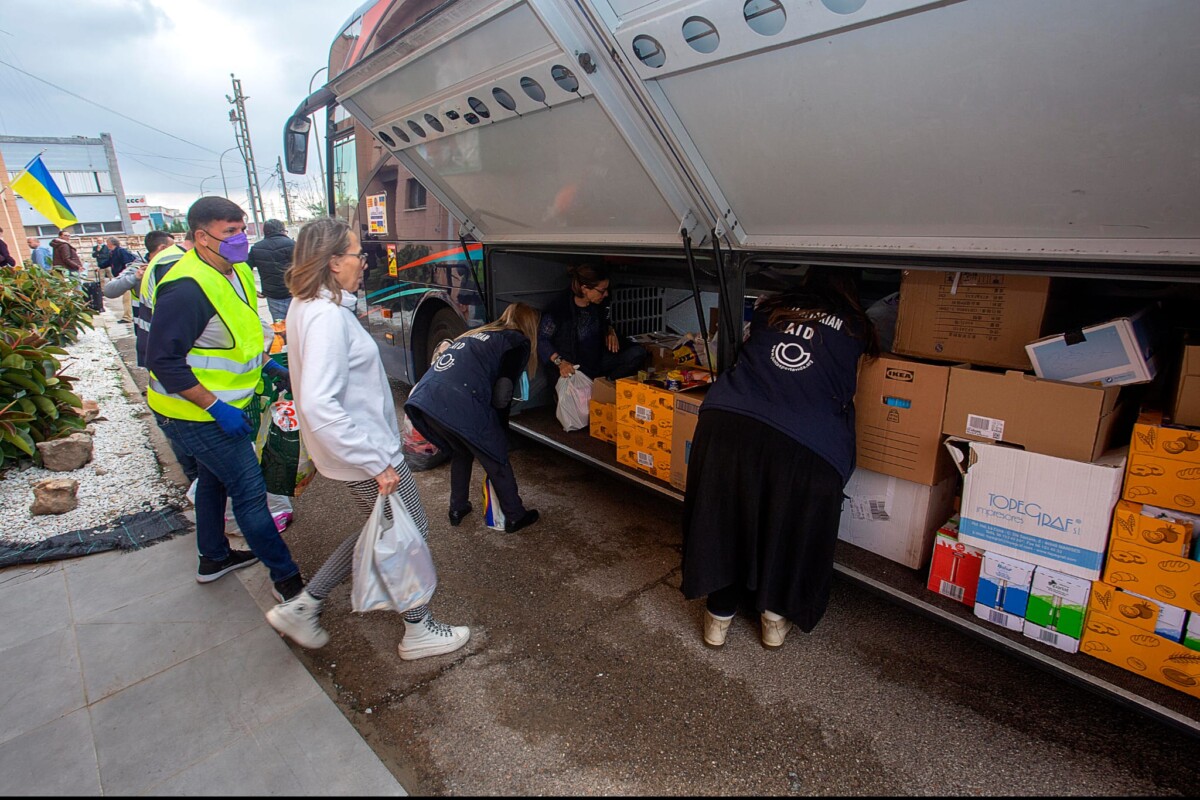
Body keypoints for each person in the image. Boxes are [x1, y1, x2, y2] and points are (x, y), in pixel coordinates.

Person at [266, 217, 470, 660]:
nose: (365, 260)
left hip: (358, 449)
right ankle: (418, 630)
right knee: (408, 530)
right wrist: (375, 461)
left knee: (379, 529)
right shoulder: (324, 317)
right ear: (333, 261)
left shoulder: (312, 306)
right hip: (366, 453)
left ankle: (305, 604)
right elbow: (321, 403)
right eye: (358, 253)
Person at [680, 266, 879, 650]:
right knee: (788, 522)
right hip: (805, 437)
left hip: (728, 421)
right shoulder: (858, 326)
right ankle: (773, 616)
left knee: (726, 515)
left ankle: (718, 618)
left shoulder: (774, 307)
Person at [145, 196, 303, 600]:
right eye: (230, 232)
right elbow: (163, 360)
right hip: (194, 412)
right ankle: (289, 584)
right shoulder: (186, 287)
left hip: (227, 404)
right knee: (250, 493)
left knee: (214, 481)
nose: (240, 239)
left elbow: (243, 334)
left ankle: (213, 558)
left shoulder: (238, 272)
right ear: (201, 237)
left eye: (242, 229)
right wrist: (214, 407)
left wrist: (270, 368)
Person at [405, 301, 543, 535]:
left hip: (426, 400)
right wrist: (499, 428)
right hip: (458, 402)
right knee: (496, 458)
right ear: (530, 325)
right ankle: (515, 516)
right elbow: (503, 392)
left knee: (462, 450)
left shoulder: (478, 334)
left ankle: (457, 508)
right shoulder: (516, 341)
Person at [537, 264, 645, 382]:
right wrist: (560, 362)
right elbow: (542, 340)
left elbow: (605, 320)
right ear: (584, 289)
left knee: (637, 353)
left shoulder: (600, 304)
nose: (606, 294)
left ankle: (606, 384)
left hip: (597, 360)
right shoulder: (559, 309)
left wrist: (609, 330)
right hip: (574, 366)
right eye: (602, 291)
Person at [247, 219, 295, 321]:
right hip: (294, 293)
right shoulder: (292, 244)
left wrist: (251, 288)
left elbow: (245, 268)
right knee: (298, 325)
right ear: (282, 230)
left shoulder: (256, 248)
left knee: (280, 327)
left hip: (273, 296)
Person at [107, 237, 139, 322]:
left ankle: (127, 317)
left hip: (126, 278)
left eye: (107, 243)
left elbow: (128, 263)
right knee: (126, 299)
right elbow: (107, 263)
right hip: (121, 277)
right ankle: (127, 316)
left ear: (111, 244)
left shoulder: (121, 251)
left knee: (127, 299)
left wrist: (125, 273)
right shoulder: (112, 253)